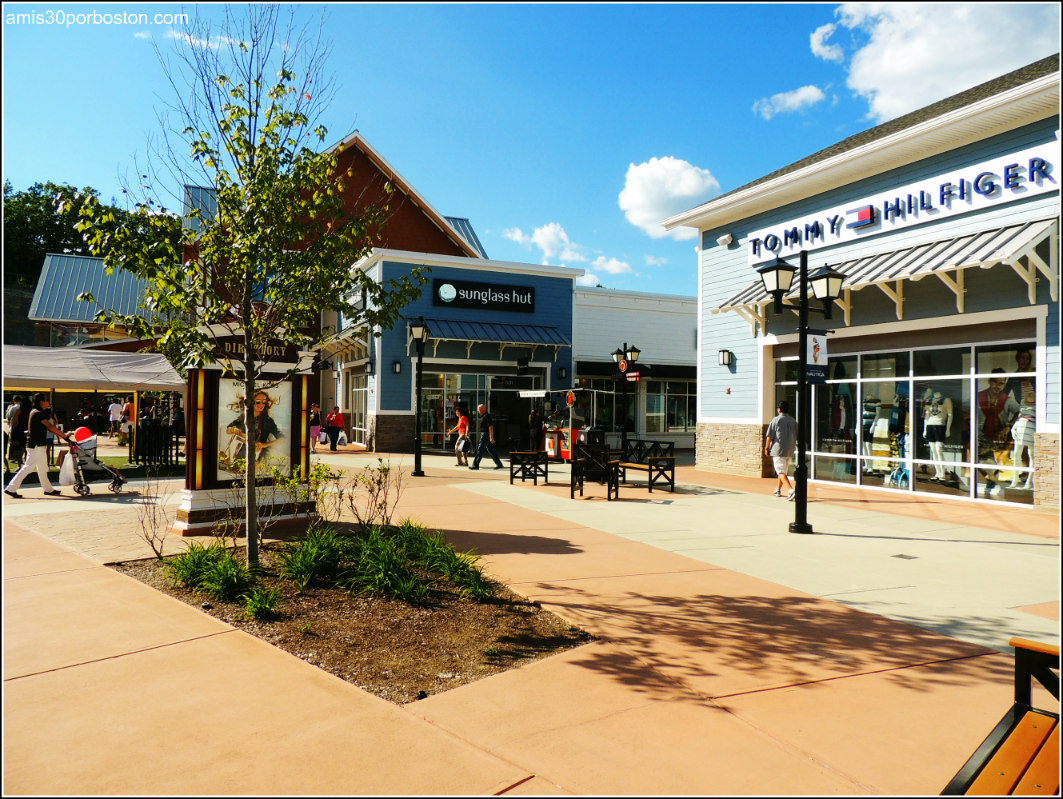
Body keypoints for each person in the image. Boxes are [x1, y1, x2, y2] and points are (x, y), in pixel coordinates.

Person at [5, 393, 68, 498]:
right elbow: (50, 427)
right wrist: (64, 436)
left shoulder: (36, 412)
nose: (48, 402)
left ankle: (48, 489)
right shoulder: (37, 413)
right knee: (28, 467)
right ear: (41, 402)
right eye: (47, 400)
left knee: (43, 468)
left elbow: (49, 427)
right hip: (36, 446)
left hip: (38, 445)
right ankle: (11, 488)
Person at [976, 368, 1020, 497]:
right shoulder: (979, 396)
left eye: (1001, 383)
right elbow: (966, 410)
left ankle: (993, 481)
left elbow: (1019, 411)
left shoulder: (1007, 399)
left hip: (999, 435)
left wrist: (1009, 426)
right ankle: (991, 480)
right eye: (996, 382)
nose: (998, 386)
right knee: (976, 459)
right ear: (990, 381)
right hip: (982, 435)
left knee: (995, 459)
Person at [222, 390, 284, 468]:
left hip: (259, 456)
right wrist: (233, 429)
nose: (261, 405)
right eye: (258, 402)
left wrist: (264, 445)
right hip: (241, 455)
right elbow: (228, 429)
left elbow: (282, 438)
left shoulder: (268, 421)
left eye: (264, 402)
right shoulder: (243, 418)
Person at [1005, 349, 1035, 489]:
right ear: (1017, 359)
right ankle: (1015, 479)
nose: (1024, 361)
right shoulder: (1015, 377)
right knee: (1016, 451)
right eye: (1022, 358)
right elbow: (1004, 394)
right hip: (1022, 414)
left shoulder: (1034, 374)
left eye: (1027, 358)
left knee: (1031, 451)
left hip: (1033, 415)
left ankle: (1030, 480)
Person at [764, 400, 797, 500]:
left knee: (780, 471)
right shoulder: (793, 421)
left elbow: (769, 436)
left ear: (779, 409)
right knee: (782, 471)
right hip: (789, 450)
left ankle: (791, 490)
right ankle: (778, 490)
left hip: (778, 450)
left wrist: (766, 448)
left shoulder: (775, 420)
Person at [921, 387, 953, 480]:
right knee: (933, 450)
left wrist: (948, 429)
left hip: (940, 425)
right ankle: (937, 472)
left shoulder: (946, 400)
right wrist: (925, 429)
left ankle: (942, 472)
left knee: (939, 449)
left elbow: (950, 415)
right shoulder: (929, 400)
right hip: (930, 425)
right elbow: (927, 415)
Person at [469, 403, 504, 470]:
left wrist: (491, 437)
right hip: (485, 434)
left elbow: (490, 427)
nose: (478, 411)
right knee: (490, 450)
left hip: (486, 434)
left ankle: (475, 465)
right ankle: (499, 464)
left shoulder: (487, 416)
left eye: (478, 409)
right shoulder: (483, 416)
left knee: (480, 449)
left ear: (482, 409)